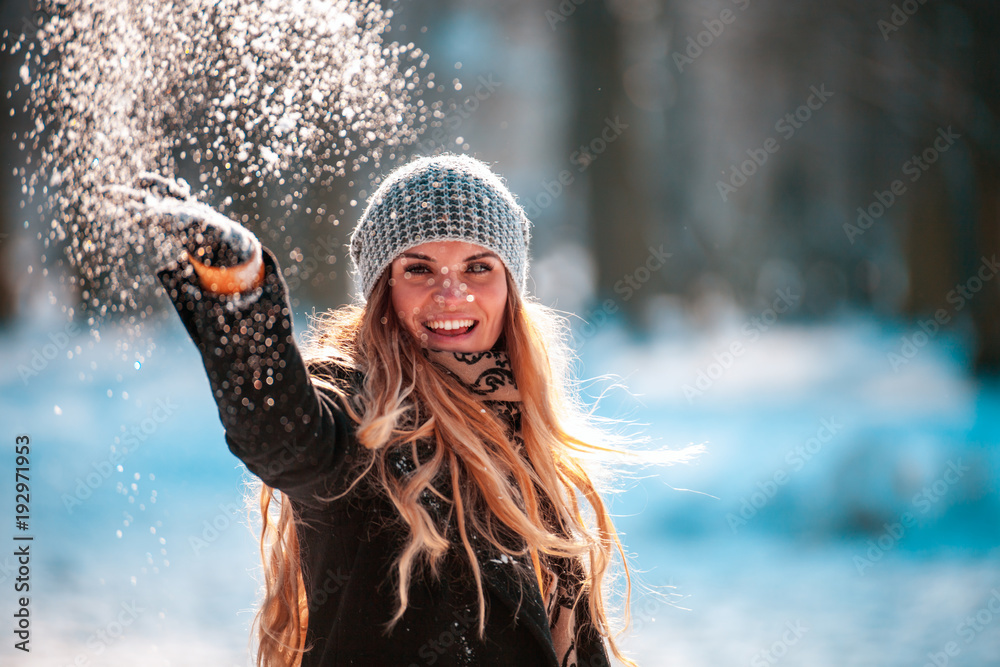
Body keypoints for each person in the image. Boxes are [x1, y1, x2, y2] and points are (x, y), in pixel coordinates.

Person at [129, 154, 636, 666]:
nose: (451, 293)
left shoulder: (525, 439)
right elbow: (282, 435)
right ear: (382, 290)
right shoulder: (362, 411)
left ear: (510, 287)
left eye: (478, 267)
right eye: (419, 269)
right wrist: (240, 292)